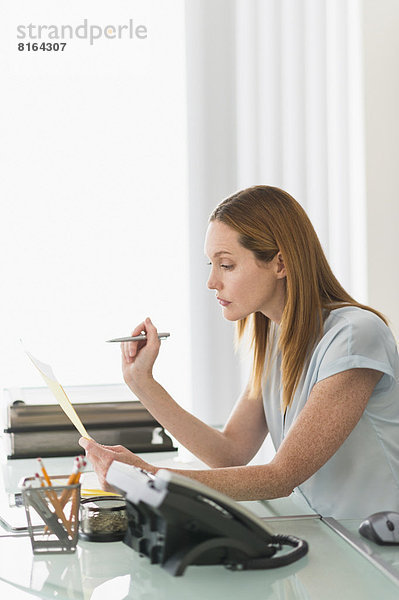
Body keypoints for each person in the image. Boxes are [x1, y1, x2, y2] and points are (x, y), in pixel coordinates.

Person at [80, 185, 399, 518]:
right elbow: (230, 452)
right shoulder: (278, 339)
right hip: (330, 537)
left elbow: (281, 477)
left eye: (227, 265)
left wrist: (149, 477)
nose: (212, 282)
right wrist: (142, 382)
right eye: (211, 264)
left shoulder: (354, 335)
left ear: (280, 264)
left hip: (380, 550)